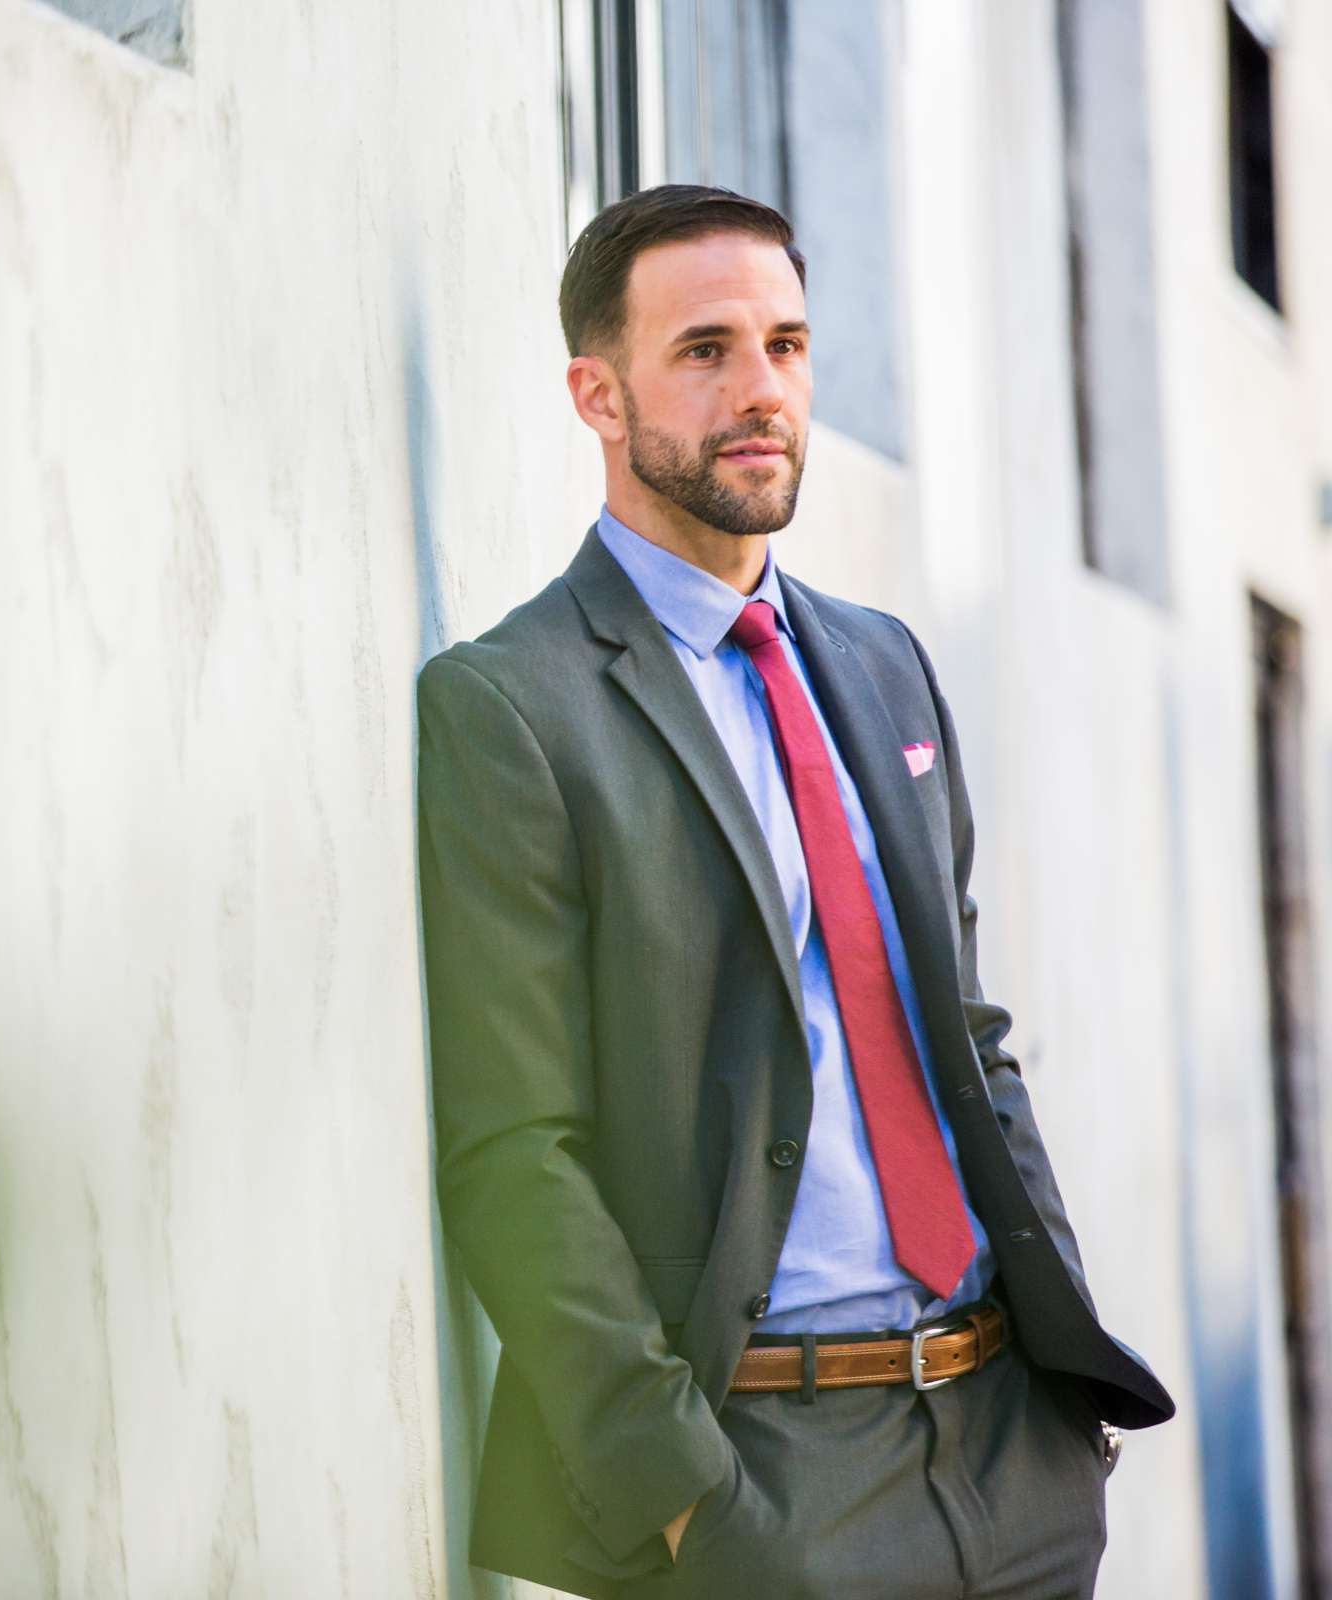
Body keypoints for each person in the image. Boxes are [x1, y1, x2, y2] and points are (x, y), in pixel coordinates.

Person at [414, 185, 1175, 1599]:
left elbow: (969, 1036)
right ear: (598, 393)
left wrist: (1060, 1394)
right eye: (705, 350)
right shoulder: (512, 708)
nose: (761, 391)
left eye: (787, 343)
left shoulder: (882, 664)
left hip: (1008, 1448)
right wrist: (692, 1511)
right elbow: (513, 1155)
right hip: (765, 1477)